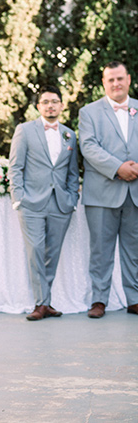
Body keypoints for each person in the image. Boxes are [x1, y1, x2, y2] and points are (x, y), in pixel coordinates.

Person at [8, 85, 80, 321]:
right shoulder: (25, 130)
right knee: (36, 252)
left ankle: (46, 302)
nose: (50, 105)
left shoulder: (70, 134)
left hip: (61, 204)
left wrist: (72, 199)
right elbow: (15, 167)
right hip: (32, 204)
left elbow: (72, 172)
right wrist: (19, 199)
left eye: (54, 101)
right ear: (38, 106)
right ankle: (40, 303)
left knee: (53, 253)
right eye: (45, 102)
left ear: (61, 105)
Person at [79, 61, 138, 318]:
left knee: (134, 250)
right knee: (100, 251)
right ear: (104, 83)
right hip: (102, 192)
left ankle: (134, 298)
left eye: (120, 79)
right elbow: (89, 147)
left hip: (135, 191)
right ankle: (99, 300)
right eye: (110, 79)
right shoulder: (88, 112)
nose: (116, 84)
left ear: (128, 79)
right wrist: (118, 167)